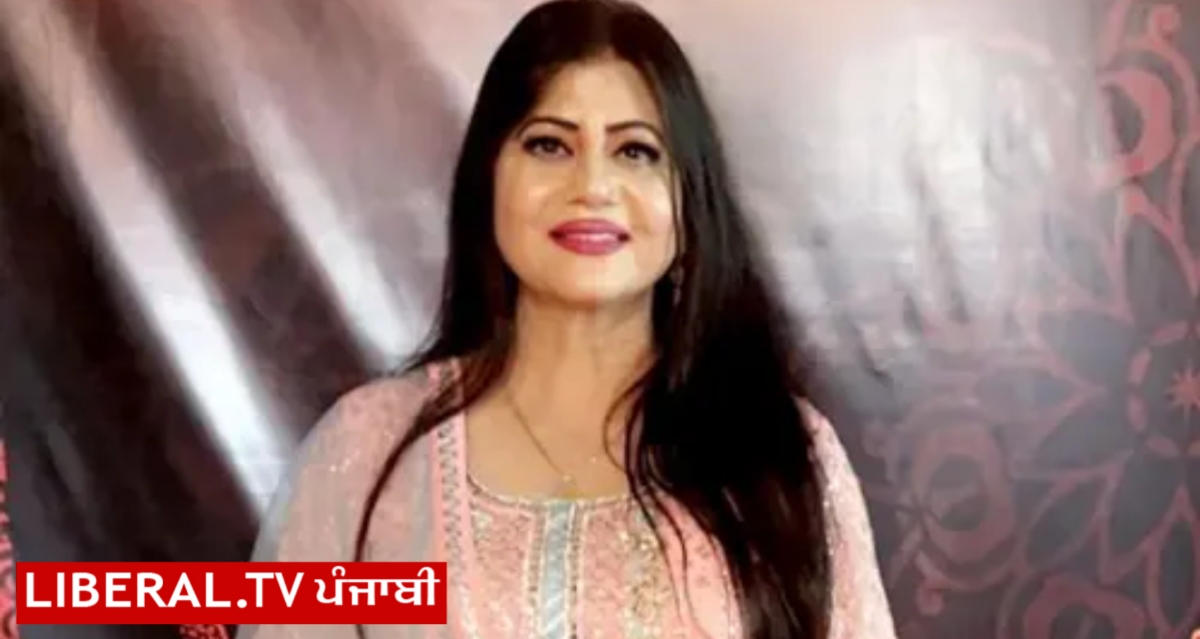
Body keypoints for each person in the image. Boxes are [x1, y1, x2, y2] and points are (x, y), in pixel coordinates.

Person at [240, 1, 896, 637]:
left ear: (689, 204)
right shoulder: (368, 450)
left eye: (635, 151)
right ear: (488, 180)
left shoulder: (784, 458)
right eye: (550, 145)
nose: (592, 187)